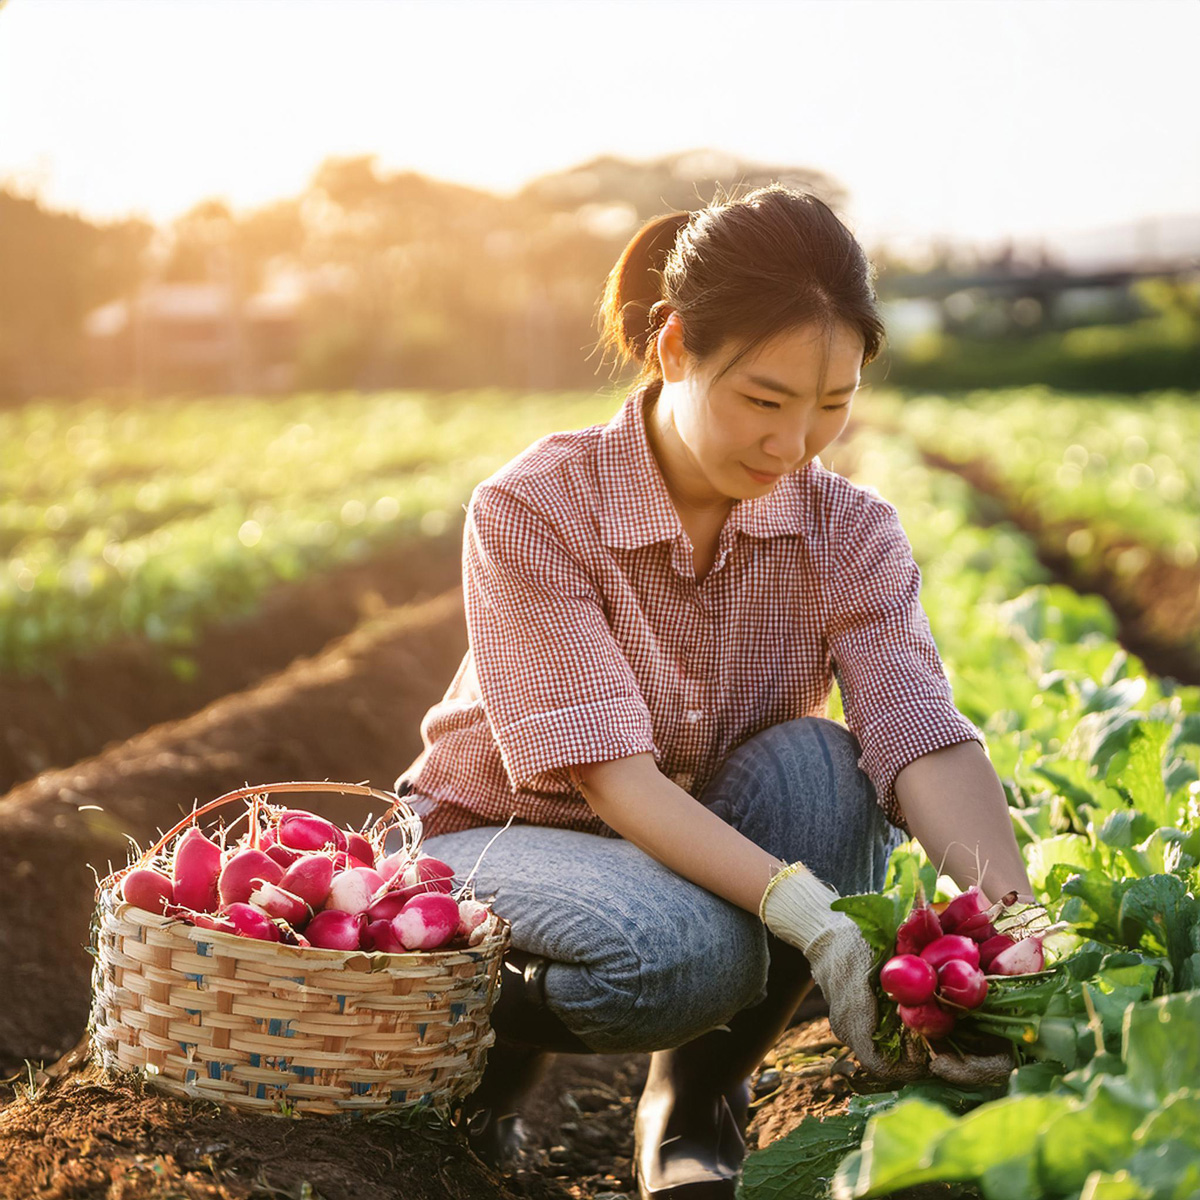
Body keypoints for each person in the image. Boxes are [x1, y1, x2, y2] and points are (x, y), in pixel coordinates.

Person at [393, 184, 1037, 1200]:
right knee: (683, 953)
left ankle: (694, 1104)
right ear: (674, 348)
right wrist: (811, 916)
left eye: (832, 406)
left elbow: (919, 731)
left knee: (829, 771)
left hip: (696, 838)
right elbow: (611, 779)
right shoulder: (536, 508)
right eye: (765, 402)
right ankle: (482, 1053)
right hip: (502, 837)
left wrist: (1014, 930)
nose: (794, 445)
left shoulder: (850, 530)